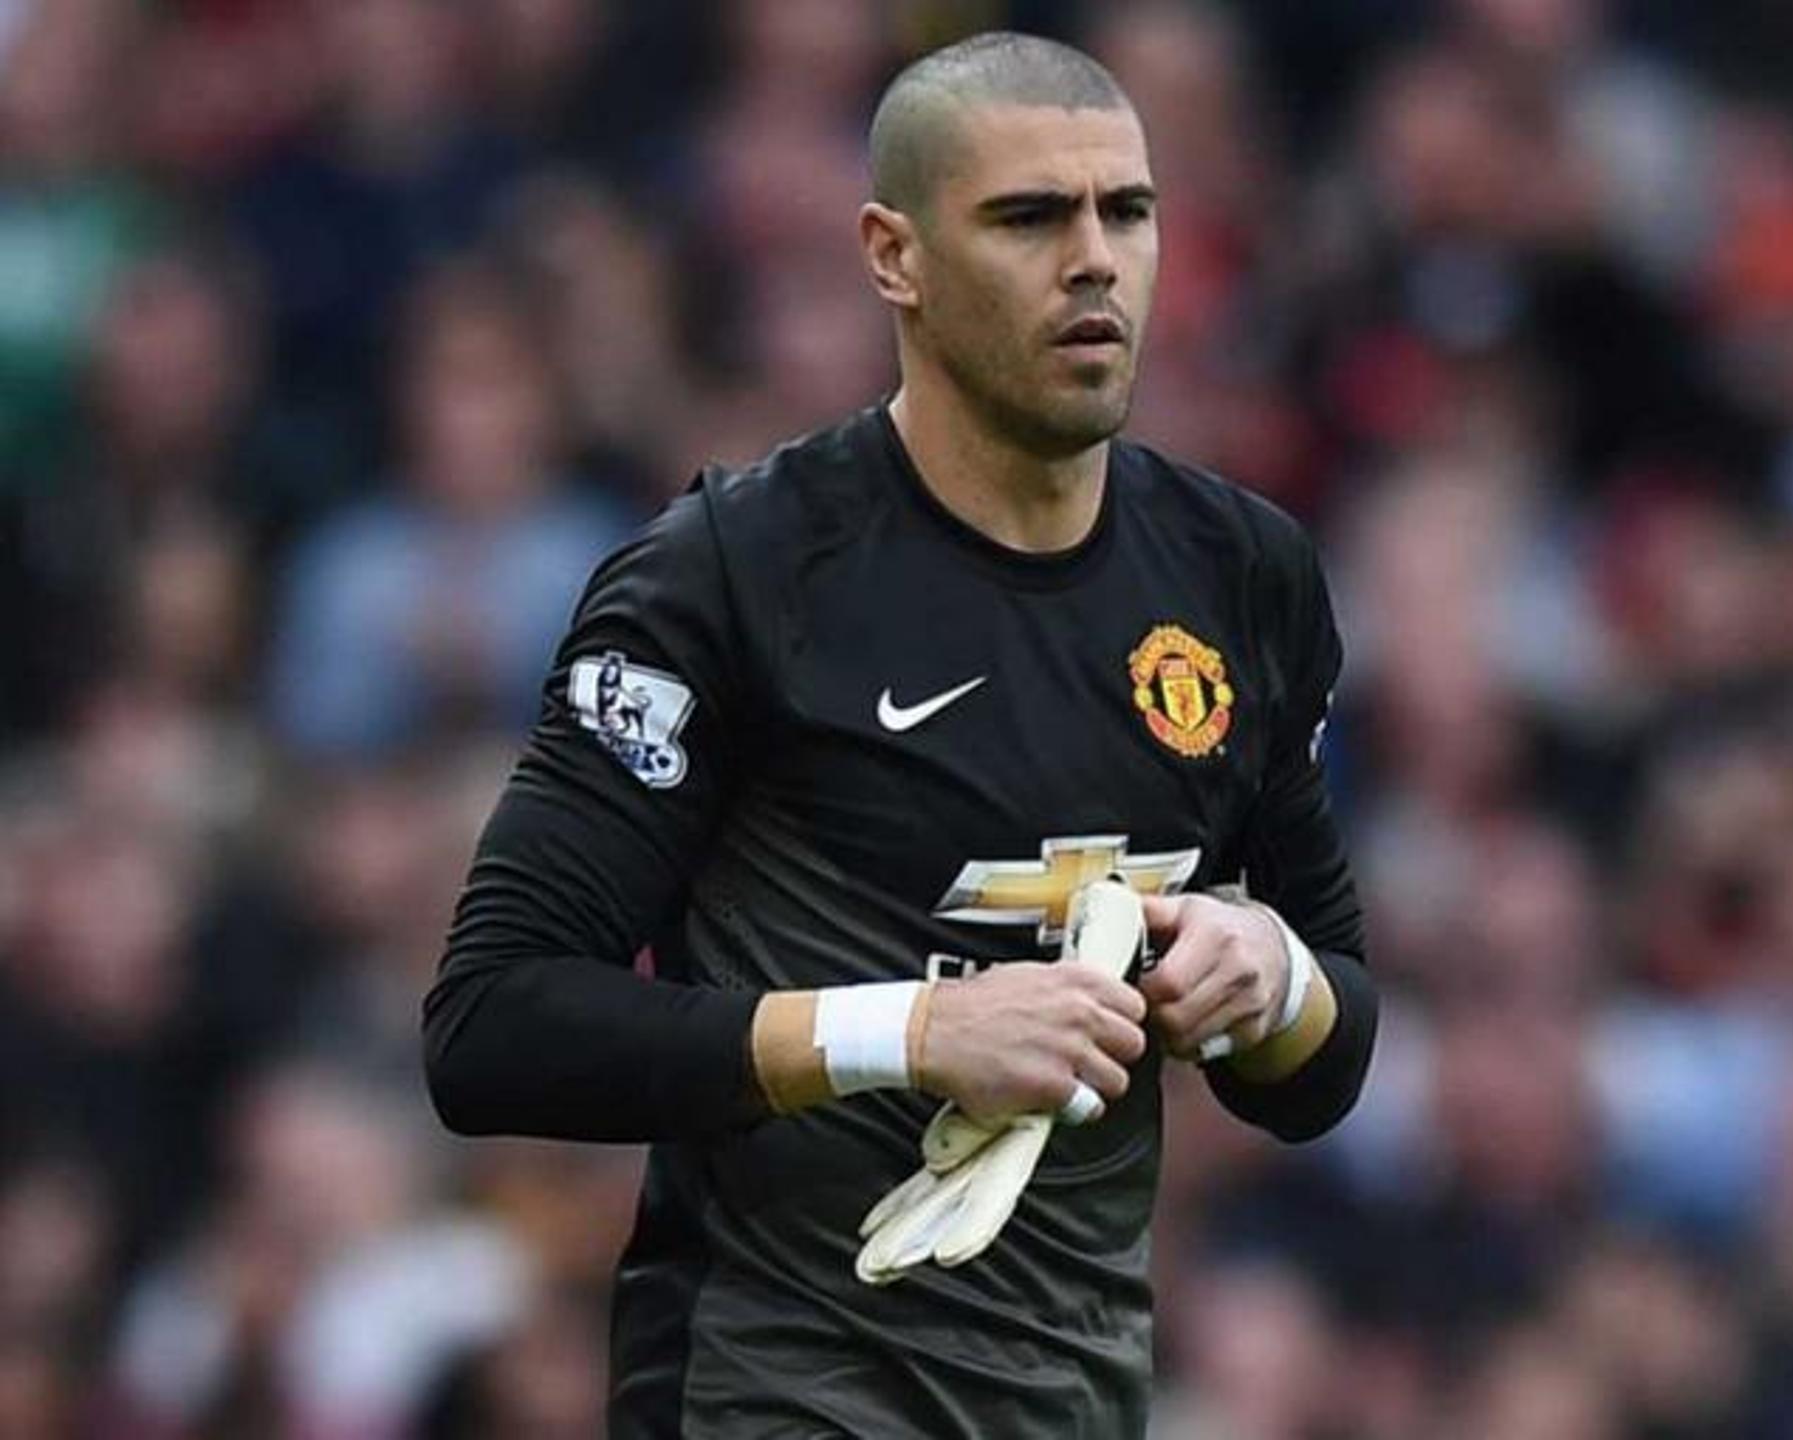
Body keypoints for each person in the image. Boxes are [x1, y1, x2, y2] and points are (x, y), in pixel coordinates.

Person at [423, 31, 1376, 1438]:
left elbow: (1328, 1061)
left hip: (1075, 1402)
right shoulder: (731, 576)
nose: (1097, 260)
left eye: (1129, 210)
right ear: (893, 255)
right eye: (1030, 217)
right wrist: (916, 1032)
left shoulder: (1240, 573)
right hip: (772, 1393)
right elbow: (491, 1027)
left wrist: (1272, 978)